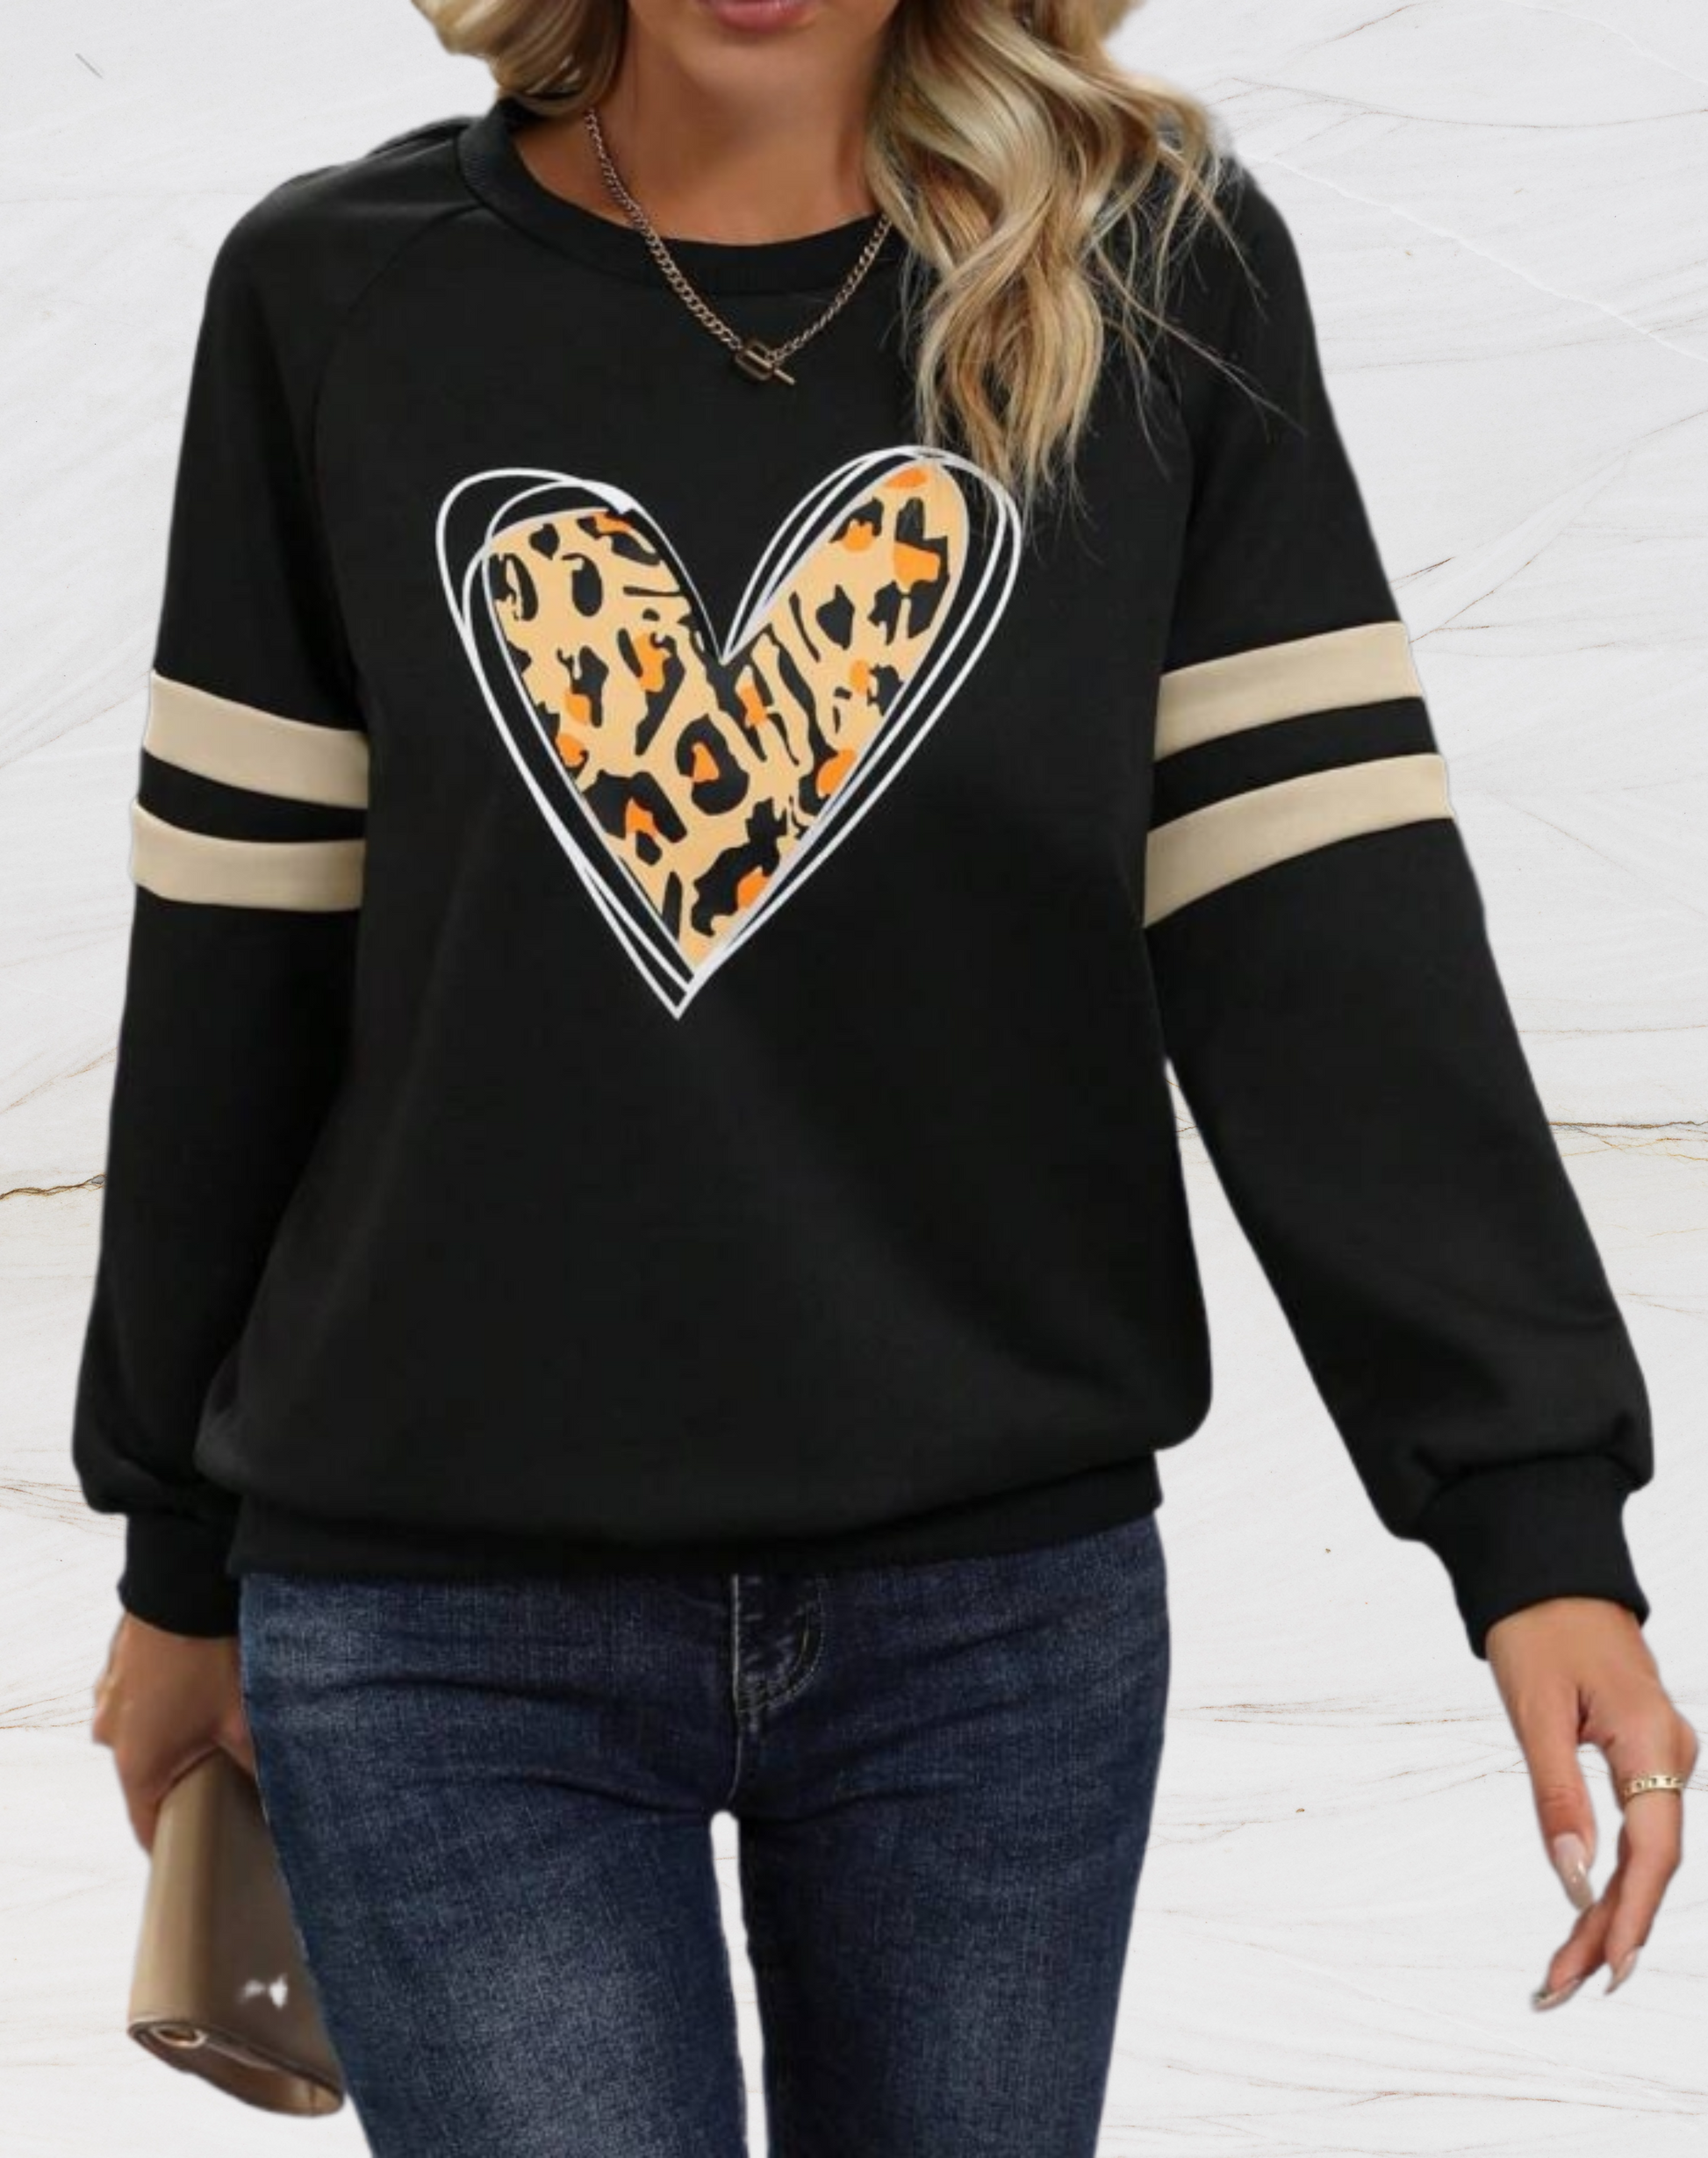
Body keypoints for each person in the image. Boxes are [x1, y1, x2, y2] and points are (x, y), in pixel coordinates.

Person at [78, 0, 1695, 2150]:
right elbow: (234, 975)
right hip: (434, 1620)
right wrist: (176, 1556)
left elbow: (1326, 939)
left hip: (990, 1625)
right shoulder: (335, 299)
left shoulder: (1151, 276)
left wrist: (1533, 1521)